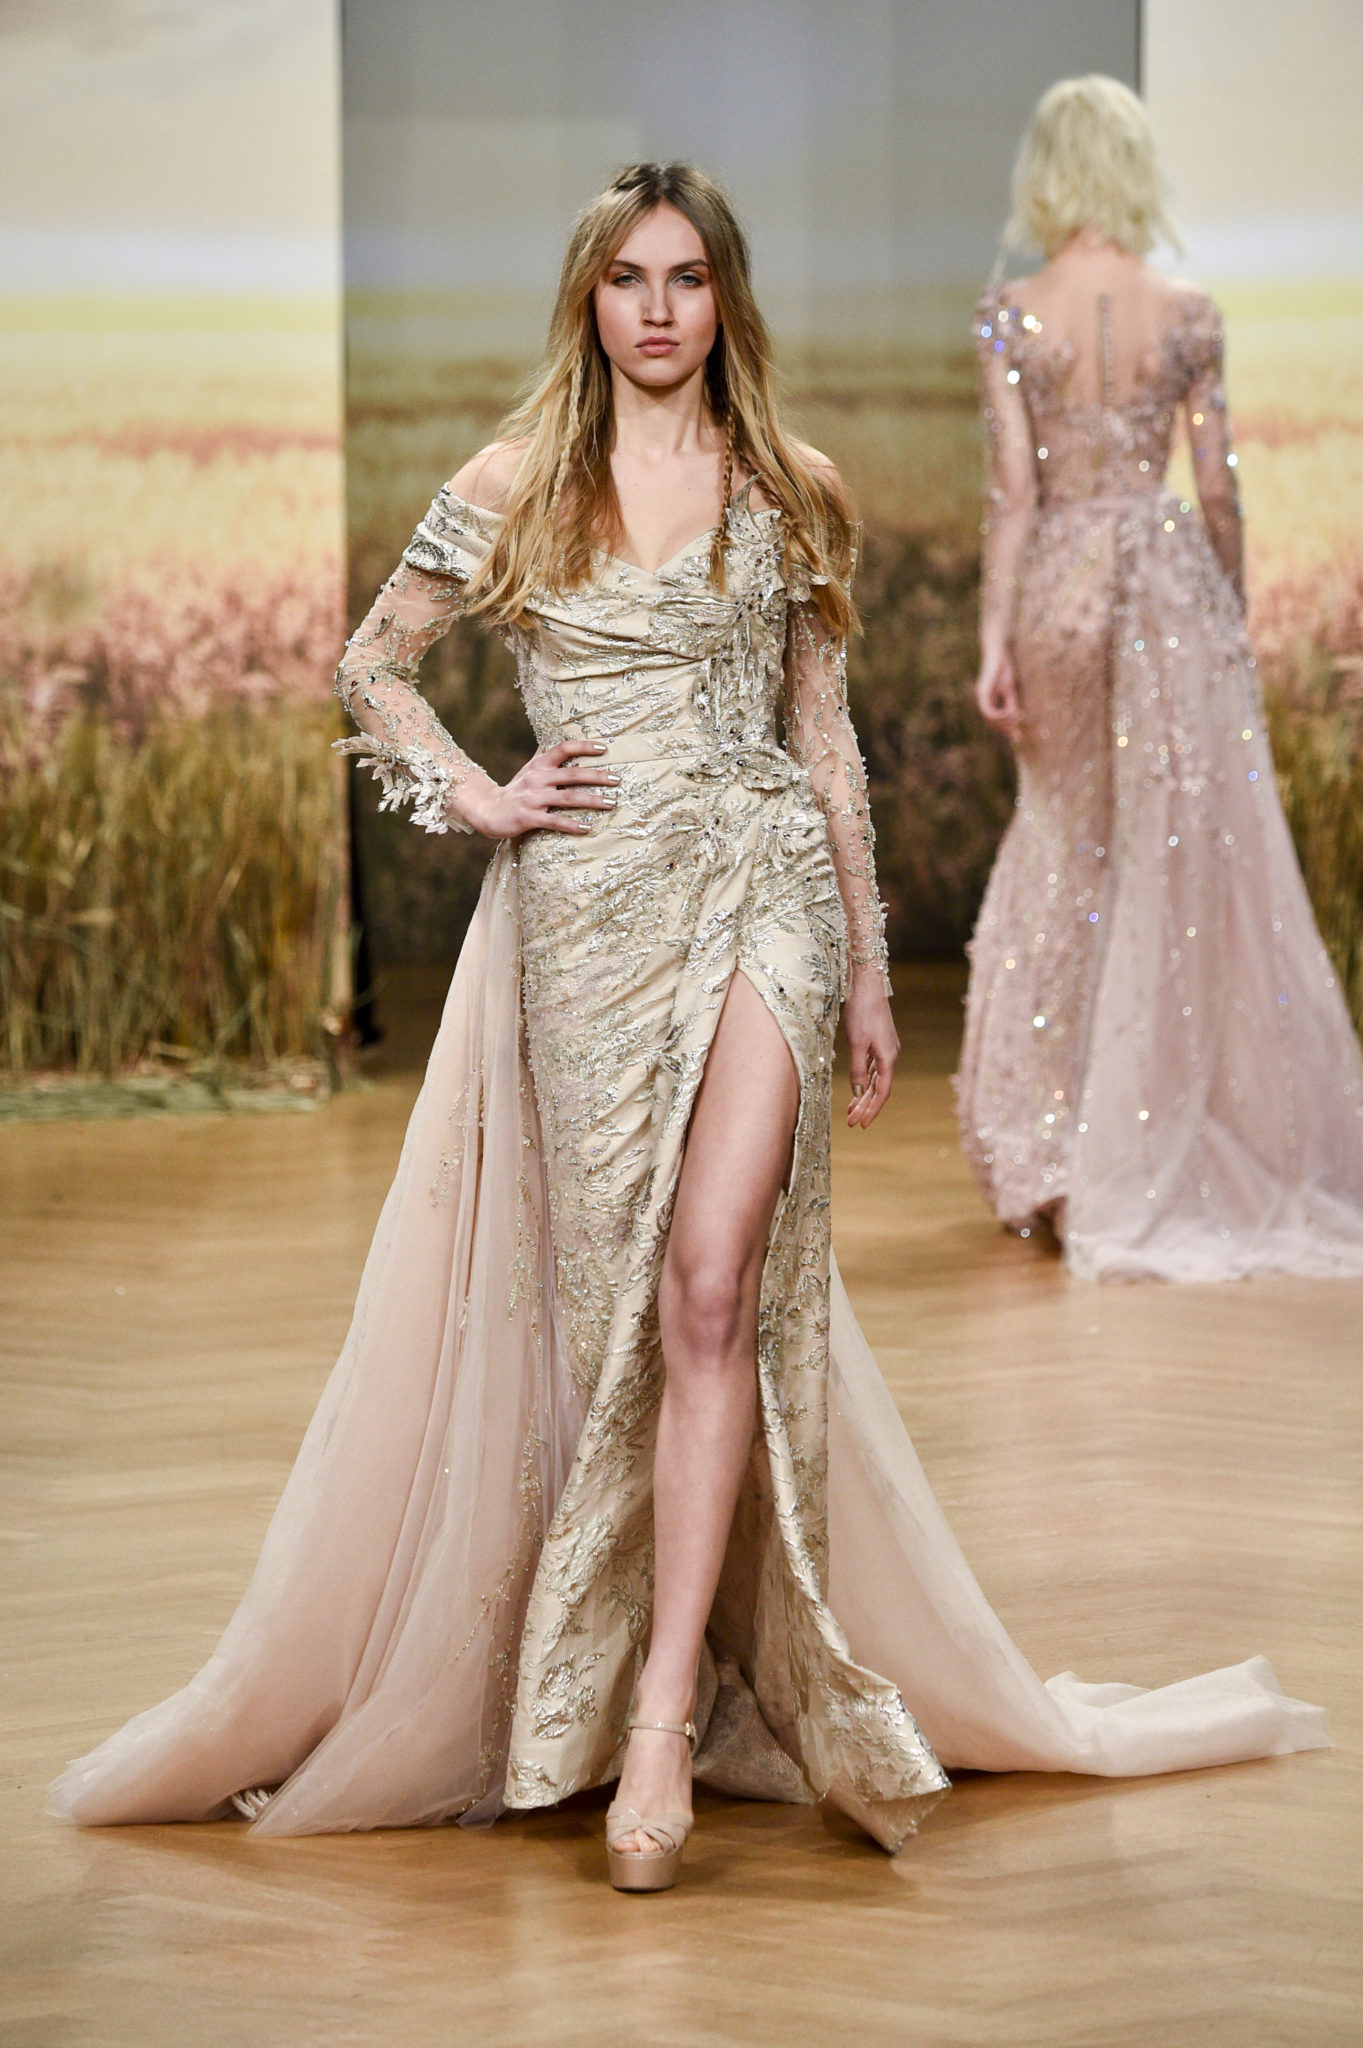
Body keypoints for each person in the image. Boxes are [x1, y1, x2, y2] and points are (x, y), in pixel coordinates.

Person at [50, 163, 1326, 1891]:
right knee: (615, 1315)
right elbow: (370, 666)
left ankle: (657, 1715)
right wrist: (480, 795)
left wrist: (864, 966)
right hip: (583, 920)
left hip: (762, 890)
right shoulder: (514, 480)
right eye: (626, 279)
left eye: (687, 278)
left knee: (712, 1280)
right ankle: (624, 1674)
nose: (656, 309)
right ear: (587, 299)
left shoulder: (791, 483)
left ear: (725, 299)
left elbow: (822, 731)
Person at [956, 76, 1363, 1281]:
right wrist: (1224, 602)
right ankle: (1144, 1141)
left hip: (1061, 583)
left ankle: (1049, 1150)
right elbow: (1217, 482)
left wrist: (992, 636)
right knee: (1168, 858)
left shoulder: (1009, 312)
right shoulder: (1188, 313)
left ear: (1046, 172)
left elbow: (1012, 495)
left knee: (1063, 837)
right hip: (1166, 586)